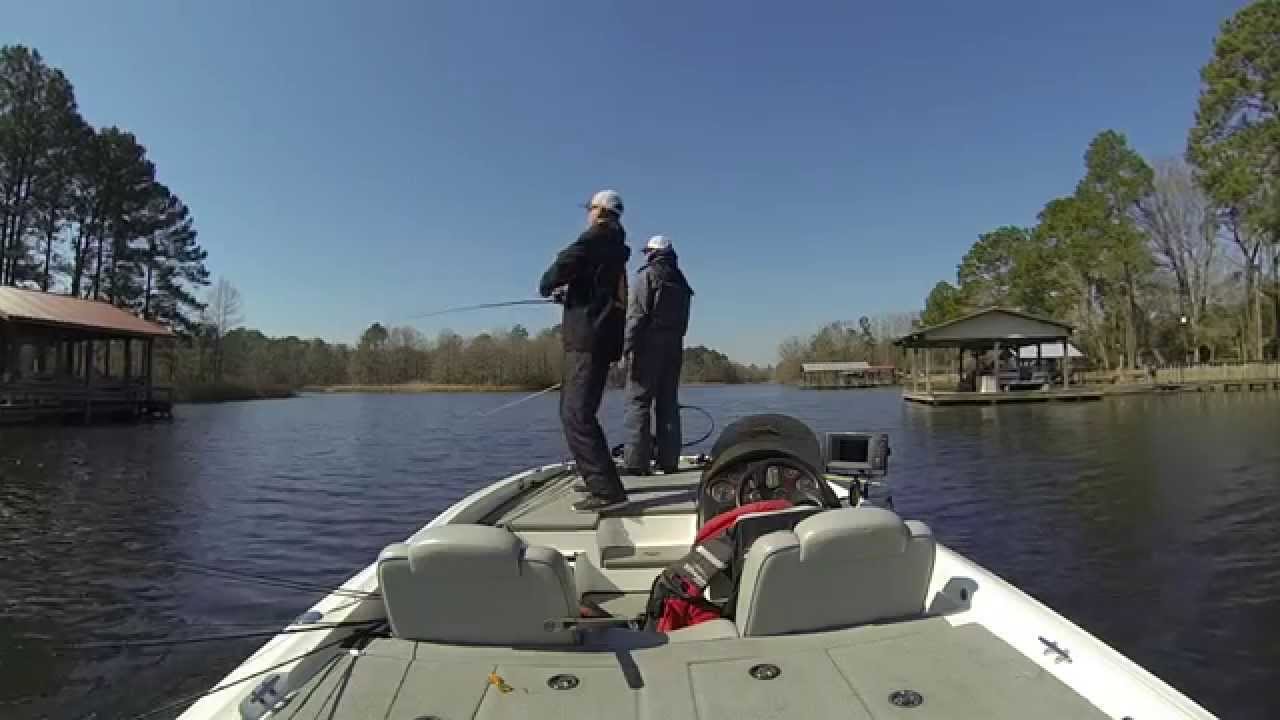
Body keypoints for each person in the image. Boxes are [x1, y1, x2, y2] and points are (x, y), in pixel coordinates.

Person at [539, 190, 632, 513]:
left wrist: (547, 284)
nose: (587, 215)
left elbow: (567, 261)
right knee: (578, 412)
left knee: (576, 415)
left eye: (590, 209)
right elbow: (599, 294)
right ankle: (597, 478)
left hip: (587, 340)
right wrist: (572, 297)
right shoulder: (615, 248)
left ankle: (606, 490)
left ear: (600, 212)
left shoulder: (597, 237)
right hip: (602, 338)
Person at [622, 235, 694, 475]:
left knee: (638, 404)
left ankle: (636, 464)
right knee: (668, 405)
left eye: (647, 252)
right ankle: (669, 461)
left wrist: (626, 347)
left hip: (647, 347)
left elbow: (637, 316)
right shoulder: (681, 281)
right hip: (674, 347)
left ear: (652, 253)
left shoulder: (647, 275)